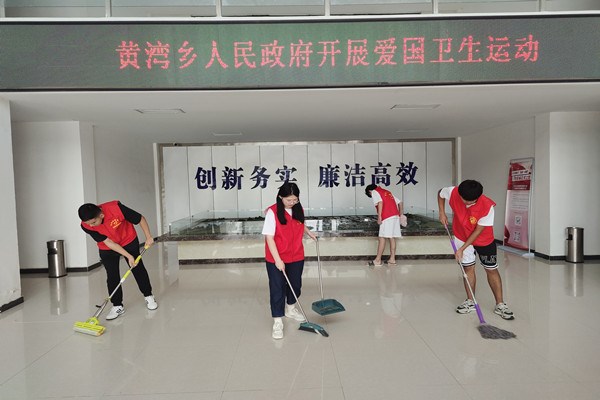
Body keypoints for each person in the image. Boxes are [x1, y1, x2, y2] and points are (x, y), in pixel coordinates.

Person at [437, 180, 514, 320]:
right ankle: (470, 301)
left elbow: (478, 231)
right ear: (459, 194)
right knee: (468, 269)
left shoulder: (487, 206)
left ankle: (500, 304)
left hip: (483, 239)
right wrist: (442, 212)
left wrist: (462, 249)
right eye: (465, 200)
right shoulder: (453, 192)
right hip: (461, 235)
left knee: (491, 269)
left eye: (471, 201)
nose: (467, 203)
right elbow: (440, 193)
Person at [78, 201, 158, 320]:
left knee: (137, 268)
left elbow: (140, 219)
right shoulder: (86, 225)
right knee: (112, 275)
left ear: (101, 215)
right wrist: (128, 256)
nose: (92, 226)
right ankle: (117, 305)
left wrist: (148, 237)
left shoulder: (116, 209)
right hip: (107, 246)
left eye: (94, 222)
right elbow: (108, 242)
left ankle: (148, 296)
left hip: (128, 239)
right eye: (88, 224)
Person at [262, 182, 317, 340]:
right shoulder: (272, 212)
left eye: (295, 199)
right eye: (289, 200)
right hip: (276, 257)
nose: (292, 202)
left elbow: (299, 223)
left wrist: (309, 232)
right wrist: (278, 260)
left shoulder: (298, 208)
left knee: (295, 285)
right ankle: (277, 321)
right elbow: (269, 238)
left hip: (296, 254)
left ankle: (290, 308)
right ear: (281, 197)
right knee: (277, 288)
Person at [365, 184, 404, 267]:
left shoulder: (375, 191)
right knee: (392, 237)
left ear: (369, 191)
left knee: (382, 238)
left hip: (387, 217)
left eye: (370, 195)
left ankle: (377, 260)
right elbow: (400, 202)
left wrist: (379, 217)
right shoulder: (387, 192)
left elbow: (380, 202)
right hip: (395, 216)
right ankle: (392, 260)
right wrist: (401, 215)